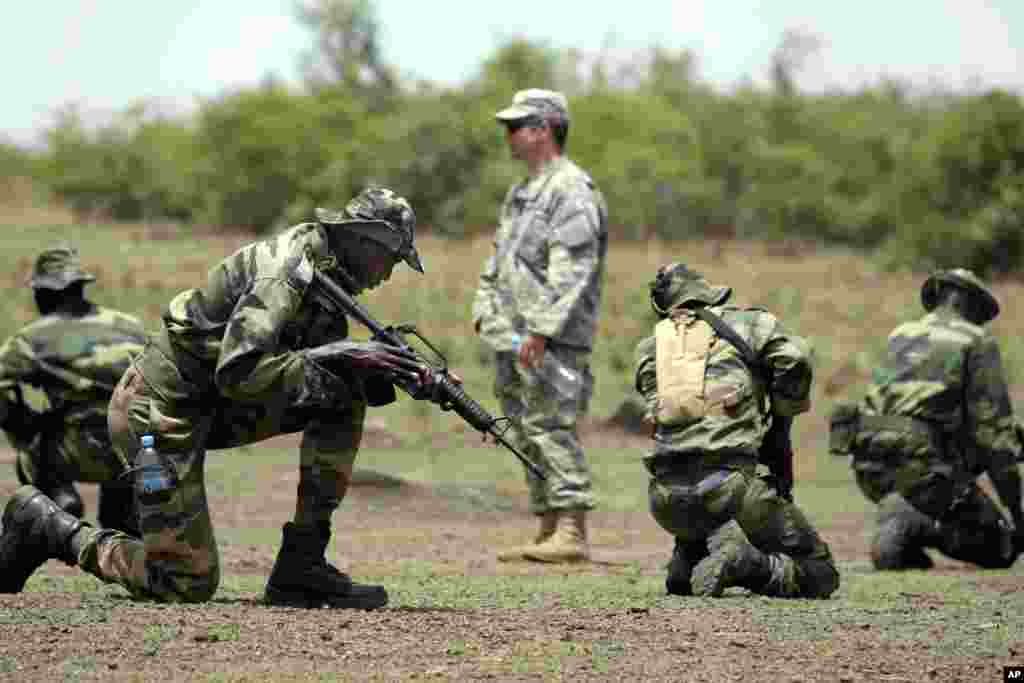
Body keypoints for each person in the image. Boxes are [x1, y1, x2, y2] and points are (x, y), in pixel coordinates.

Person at [0, 187, 439, 608]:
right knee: (183, 581)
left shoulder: (326, 275)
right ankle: (50, 527)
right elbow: (240, 371)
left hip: (209, 406)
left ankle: (302, 564)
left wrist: (386, 374)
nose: (386, 275)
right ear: (366, 240)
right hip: (157, 415)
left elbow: (304, 371)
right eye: (391, 260)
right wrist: (341, 355)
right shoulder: (285, 270)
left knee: (344, 394)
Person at [634, 263, 839, 598]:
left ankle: (688, 558)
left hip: (665, 500)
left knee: (703, 503)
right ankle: (745, 563)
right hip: (730, 489)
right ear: (709, 294)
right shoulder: (749, 323)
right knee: (820, 572)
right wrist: (781, 420)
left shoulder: (649, 349)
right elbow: (797, 359)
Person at [472, 88, 608, 563]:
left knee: (551, 424)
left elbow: (572, 268)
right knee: (525, 428)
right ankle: (548, 524)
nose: (507, 136)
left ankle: (571, 529)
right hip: (512, 333)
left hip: (550, 339)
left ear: (544, 128)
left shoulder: (570, 190)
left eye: (515, 126)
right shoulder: (522, 193)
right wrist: (486, 312)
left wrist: (544, 329)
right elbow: (501, 259)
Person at [830, 269, 1022, 570]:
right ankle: (913, 520)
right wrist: (1016, 513)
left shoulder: (902, 333)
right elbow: (994, 437)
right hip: (925, 471)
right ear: (973, 305)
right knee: (1001, 548)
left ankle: (902, 522)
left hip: (871, 468)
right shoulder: (976, 340)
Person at [0, 244, 148, 534]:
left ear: (44, 292)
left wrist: (22, 422)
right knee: (121, 426)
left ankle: (58, 497)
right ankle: (122, 515)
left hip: (74, 451)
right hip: (134, 451)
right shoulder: (131, 326)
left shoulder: (33, 338)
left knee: (31, 451)